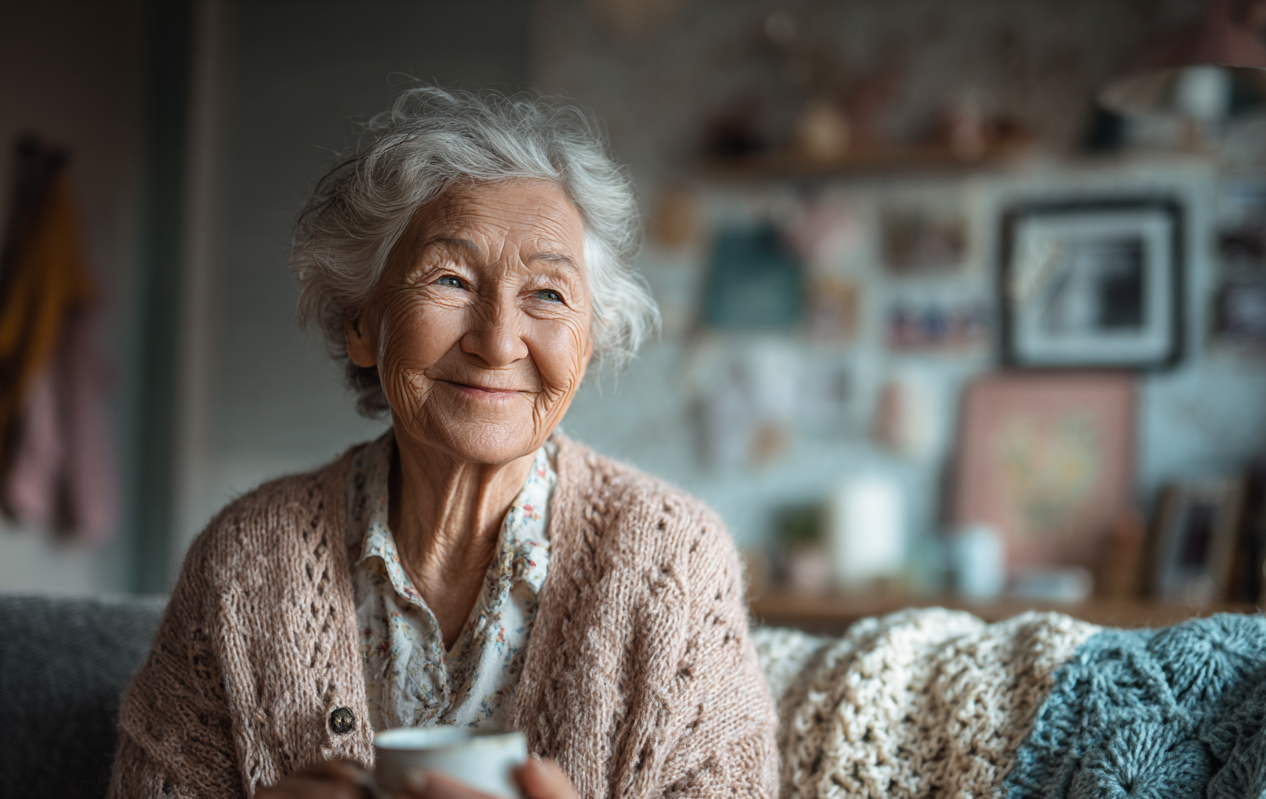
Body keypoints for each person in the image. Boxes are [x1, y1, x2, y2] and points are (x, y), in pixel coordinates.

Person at [108, 86, 778, 799]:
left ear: (588, 342)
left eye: (548, 294)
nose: (497, 341)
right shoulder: (245, 560)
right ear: (362, 324)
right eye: (450, 279)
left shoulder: (675, 562)